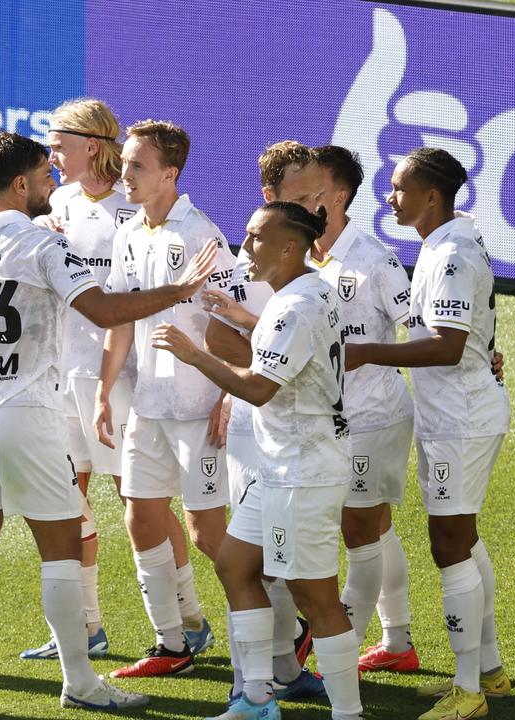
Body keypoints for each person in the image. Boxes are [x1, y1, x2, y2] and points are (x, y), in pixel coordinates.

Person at [0, 131, 223, 713]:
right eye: (44, 174)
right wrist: (180, 290)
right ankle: (80, 682)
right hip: (27, 415)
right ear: (20, 184)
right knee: (60, 550)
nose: (53, 182)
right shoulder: (41, 244)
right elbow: (105, 310)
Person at [153, 201, 363, 720]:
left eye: (254, 237)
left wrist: (195, 353)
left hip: (302, 472)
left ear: (289, 247)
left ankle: (349, 713)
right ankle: (257, 698)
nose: (244, 247)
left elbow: (259, 388)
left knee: (316, 600)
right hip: (280, 466)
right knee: (234, 564)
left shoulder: (295, 307)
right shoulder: (303, 293)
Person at [347, 147, 512, 720]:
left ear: (431, 196)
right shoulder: (446, 242)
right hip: (454, 414)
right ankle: (487, 671)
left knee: (449, 543)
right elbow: (469, 333)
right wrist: (486, 351)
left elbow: (445, 345)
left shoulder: (450, 253)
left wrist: (366, 351)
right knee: (462, 536)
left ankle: (468, 689)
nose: (389, 196)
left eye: (398, 187)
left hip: (460, 420)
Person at [94, 119, 238, 679]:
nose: (123, 174)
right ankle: (172, 641)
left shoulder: (201, 236)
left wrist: (229, 394)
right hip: (148, 405)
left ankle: (284, 628)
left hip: (198, 407)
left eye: (136, 166)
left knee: (207, 532)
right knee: (141, 516)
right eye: (125, 163)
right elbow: (123, 317)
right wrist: (106, 390)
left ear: (169, 174)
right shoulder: (130, 231)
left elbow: (234, 322)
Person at [204, 141, 325, 704]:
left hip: (301, 440)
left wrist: (257, 337)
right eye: (303, 194)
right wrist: (256, 344)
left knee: (286, 566)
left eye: (318, 193)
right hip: (255, 426)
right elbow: (218, 337)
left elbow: (300, 347)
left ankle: (278, 676)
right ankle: (265, 681)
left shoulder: (315, 272)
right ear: (272, 196)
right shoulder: (245, 260)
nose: (316, 204)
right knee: (248, 559)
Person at [17, 97, 138, 661]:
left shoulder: (133, 211)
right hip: (58, 378)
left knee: (141, 505)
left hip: (120, 380)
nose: (51, 154)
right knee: (67, 505)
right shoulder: (56, 203)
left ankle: (183, 622)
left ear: (92, 146)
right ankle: (85, 627)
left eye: (58, 143)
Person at [307, 145, 419, 673]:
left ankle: (339, 648)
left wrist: (485, 354)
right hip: (324, 417)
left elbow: (424, 328)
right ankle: (397, 644)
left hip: (373, 417)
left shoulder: (373, 260)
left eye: (314, 188)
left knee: (358, 528)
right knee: (375, 528)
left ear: (339, 196)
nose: (303, 195)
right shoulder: (299, 253)